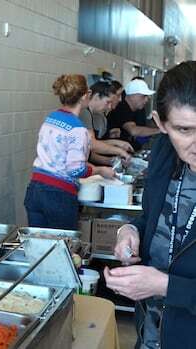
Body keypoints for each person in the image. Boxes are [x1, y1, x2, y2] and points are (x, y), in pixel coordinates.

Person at [106, 61, 196, 348]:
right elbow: (154, 217)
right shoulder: (164, 153)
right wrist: (130, 231)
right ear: (160, 123)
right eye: (184, 130)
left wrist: (166, 286)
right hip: (151, 331)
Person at [24, 74, 115, 230]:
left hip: (35, 189)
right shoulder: (77, 129)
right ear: (86, 95)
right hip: (58, 195)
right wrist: (100, 170)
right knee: (61, 247)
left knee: (38, 246)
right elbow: (75, 169)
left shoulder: (51, 118)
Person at [79, 80, 133, 166]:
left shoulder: (96, 114)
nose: (109, 106)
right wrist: (119, 150)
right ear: (96, 96)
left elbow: (89, 152)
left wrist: (111, 160)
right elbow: (92, 144)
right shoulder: (84, 112)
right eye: (107, 102)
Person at [107, 79, 160, 150]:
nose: (147, 100)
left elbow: (143, 126)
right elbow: (133, 130)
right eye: (144, 96)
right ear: (132, 95)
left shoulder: (139, 108)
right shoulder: (121, 107)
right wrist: (159, 130)